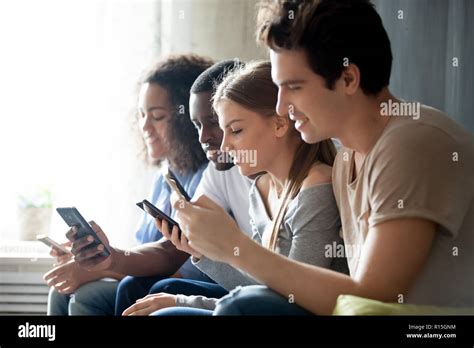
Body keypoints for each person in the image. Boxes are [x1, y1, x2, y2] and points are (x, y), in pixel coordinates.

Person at [166, 0, 474, 315]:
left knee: (244, 307)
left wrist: (234, 247)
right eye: (278, 89)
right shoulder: (345, 163)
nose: (282, 105)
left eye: (294, 88)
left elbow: (372, 300)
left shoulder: (412, 143)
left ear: (348, 80)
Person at [145, 60, 348, 316]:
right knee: (163, 305)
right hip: (269, 306)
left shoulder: (317, 185)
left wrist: (187, 302)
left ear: (279, 124)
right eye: (223, 131)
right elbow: (260, 289)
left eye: (236, 130)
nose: (225, 146)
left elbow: (295, 297)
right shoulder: (261, 188)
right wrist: (201, 253)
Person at [44, 54, 212, 315]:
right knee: (62, 292)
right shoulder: (163, 176)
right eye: (141, 115)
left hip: (178, 282)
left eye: (157, 116)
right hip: (150, 276)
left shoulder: (209, 175)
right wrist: (94, 260)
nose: (144, 126)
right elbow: (143, 252)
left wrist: (101, 266)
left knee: (88, 296)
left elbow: (171, 257)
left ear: (187, 119)